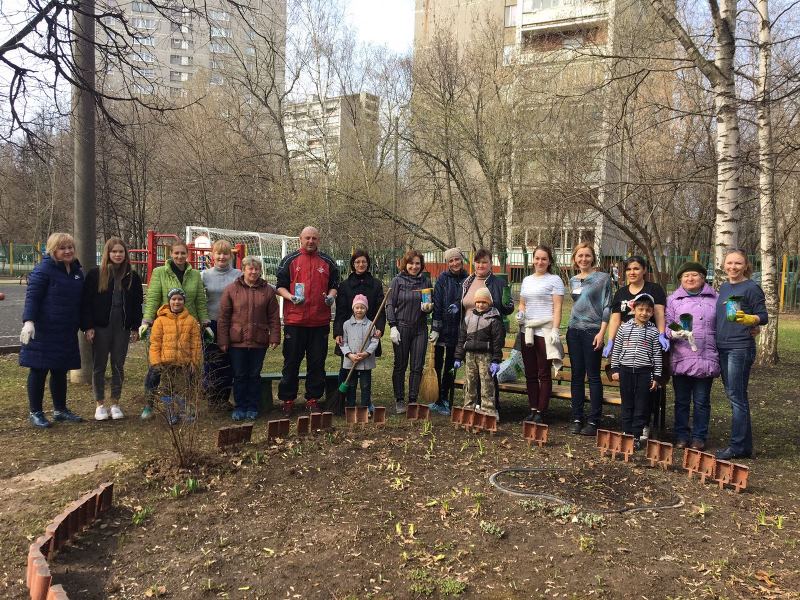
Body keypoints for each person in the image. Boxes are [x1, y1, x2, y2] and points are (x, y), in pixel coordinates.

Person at [20, 232, 85, 428]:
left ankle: (60, 409)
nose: (67, 251)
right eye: (62, 248)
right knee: (39, 370)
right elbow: (33, 297)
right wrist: (29, 321)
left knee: (60, 370)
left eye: (70, 247)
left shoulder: (76, 271)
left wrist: (85, 325)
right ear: (53, 250)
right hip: (44, 330)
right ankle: (36, 412)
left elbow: (79, 302)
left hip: (65, 330)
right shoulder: (43, 270)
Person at [140, 239, 209, 419]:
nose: (179, 256)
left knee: (188, 370)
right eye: (176, 253)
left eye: (183, 253)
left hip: (187, 327)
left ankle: (186, 406)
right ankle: (149, 404)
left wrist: (205, 322)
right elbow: (153, 298)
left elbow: (200, 301)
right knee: (157, 369)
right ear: (170, 254)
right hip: (166, 328)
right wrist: (147, 321)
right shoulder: (160, 272)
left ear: (188, 255)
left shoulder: (194, 275)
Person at [275, 226, 340, 415]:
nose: (311, 241)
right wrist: (290, 297)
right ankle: (288, 399)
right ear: (300, 239)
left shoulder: (328, 261)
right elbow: (280, 286)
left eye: (314, 238)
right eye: (307, 238)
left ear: (319, 240)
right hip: (295, 322)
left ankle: (313, 399)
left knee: (317, 363)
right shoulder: (289, 260)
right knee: (291, 362)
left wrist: (331, 297)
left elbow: (335, 285)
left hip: (319, 323)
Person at [603, 255, 668, 438]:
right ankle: (628, 428)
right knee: (630, 396)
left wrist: (661, 334)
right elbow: (615, 318)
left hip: (648, 344)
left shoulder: (654, 289)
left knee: (647, 392)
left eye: (636, 268)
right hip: (627, 348)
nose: (632, 272)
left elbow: (659, 312)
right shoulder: (621, 293)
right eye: (629, 269)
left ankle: (644, 425)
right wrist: (611, 340)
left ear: (644, 270)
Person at [81, 238, 143, 421]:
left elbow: (137, 304)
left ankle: (115, 402)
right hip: (101, 328)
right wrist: (88, 327)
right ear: (108, 253)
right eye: (114, 252)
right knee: (99, 366)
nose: (117, 255)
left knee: (118, 365)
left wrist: (135, 326)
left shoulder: (132, 276)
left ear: (125, 254)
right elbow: (86, 303)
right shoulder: (95, 275)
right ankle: (100, 404)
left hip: (122, 327)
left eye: (121, 252)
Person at [714, 249, 767, 460]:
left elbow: (763, 316)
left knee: (736, 397)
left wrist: (751, 320)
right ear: (724, 265)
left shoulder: (752, 287)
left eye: (738, 263)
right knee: (736, 396)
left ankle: (736, 447)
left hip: (740, 347)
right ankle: (745, 447)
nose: (733, 267)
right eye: (729, 263)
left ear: (746, 266)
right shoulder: (725, 286)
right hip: (722, 346)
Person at [217, 256, 280, 421]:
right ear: (243, 270)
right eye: (250, 268)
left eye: (256, 269)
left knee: (254, 375)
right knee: (239, 375)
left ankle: (253, 406)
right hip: (237, 341)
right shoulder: (231, 289)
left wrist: (274, 336)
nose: (253, 272)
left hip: (259, 341)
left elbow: (274, 316)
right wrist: (223, 340)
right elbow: (223, 317)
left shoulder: (267, 291)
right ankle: (240, 406)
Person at [665, 262, 719, 451]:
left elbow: (723, 325)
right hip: (681, 356)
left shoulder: (715, 299)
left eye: (694, 275)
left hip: (706, 356)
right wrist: (674, 332)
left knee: (702, 401)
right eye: (686, 276)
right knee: (681, 401)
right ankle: (681, 435)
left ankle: (699, 437)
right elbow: (667, 323)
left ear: (703, 278)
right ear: (680, 279)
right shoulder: (673, 300)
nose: (690, 279)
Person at [460, 248, 515, 413]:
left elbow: (506, 309)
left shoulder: (498, 283)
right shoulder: (467, 282)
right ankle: (472, 407)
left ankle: (491, 408)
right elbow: (464, 304)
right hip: (469, 334)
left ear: (491, 264)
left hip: (489, 335)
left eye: (484, 262)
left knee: (487, 376)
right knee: (472, 375)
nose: (481, 265)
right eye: (478, 262)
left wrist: (508, 304)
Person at [566, 242, 612, 436]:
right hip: (574, 330)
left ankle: (594, 420)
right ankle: (577, 417)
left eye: (587, 255)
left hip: (593, 331)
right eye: (580, 256)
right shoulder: (573, 280)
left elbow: (607, 306)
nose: (583, 259)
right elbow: (578, 304)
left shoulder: (603, 278)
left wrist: (602, 333)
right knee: (577, 376)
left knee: (593, 376)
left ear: (593, 257)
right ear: (575, 259)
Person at [516, 245, 564, 424]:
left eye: (544, 258)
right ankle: (532, 408)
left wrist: (555, 330)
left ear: (549, 261)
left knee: (543, 372)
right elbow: (522, 303)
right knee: (530, 372)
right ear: (533, 259)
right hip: (527, 331)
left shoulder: (555, 280)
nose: (540, 262)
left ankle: (541, 412)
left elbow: (558, 307)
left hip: (545, 331)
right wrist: (520, 313)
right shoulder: (527, 280)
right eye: (537, 258)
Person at [609, 293, 663, 450]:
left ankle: (637, 436)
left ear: (652, 312)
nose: (644, 313)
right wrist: (615, 368)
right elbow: (617, 349)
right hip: (625, 372)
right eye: (641, 309)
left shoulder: (653, 332)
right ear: (634, 309)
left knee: (641, 405)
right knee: (627, 404)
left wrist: (657, 377)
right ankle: (626, 433)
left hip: (645, 373)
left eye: (648, 310)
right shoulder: (624, 328)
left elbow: (657, 356)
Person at [387, 249, 433, 413]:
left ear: (421, 265)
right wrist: (392, 326)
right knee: (400, 365)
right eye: (411, 263)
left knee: (417, 366)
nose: (414, 266)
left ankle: (412, 400)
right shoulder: (397, 281)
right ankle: (399, 400)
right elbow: (390, 304)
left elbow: (428, 303)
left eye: (417, 263)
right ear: (405, 264)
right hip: (402, 327)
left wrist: (428, 308)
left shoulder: (425, 281)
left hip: (420, 328)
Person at [146, 288, 202, 424]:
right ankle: (170, 411)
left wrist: (194, 362)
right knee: (167, 389)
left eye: (180, 299)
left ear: (184, 302)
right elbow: (155, 343)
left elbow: (196, 344)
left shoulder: (191, 321)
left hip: (184, 362)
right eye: (174, 299)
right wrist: (156, 361)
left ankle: (184, 411)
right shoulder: (160, 321)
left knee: (183, 388)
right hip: (165, 363)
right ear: (169, 301)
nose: (176, 302)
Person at [334, 249, 385, 396]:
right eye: (357, 262)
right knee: (346, 370)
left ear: (368, 263)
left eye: (363, 261)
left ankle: (365, 402)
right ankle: (344, 400)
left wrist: (379, 328)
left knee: (365, 373)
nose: (360, 264)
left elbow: (380, 310)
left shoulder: (376, 284)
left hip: (368, 332)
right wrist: (338, 331)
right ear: (352, 264)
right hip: (349, 333)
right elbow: (341, 311)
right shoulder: (344, 286)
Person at [201, 240, 242, 410]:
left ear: (230, 256)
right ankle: (212, 397)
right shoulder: (203, 275)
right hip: (211, 323)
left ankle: (224, 398)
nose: (222, 257)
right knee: (211, 361)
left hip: (231, 324)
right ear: (212, 255)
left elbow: (260, 284)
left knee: (228, 361)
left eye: (225, 253)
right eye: (218, 253)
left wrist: (287, 293)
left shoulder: (238, 274)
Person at [453, 287, 505, 421]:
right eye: (478, 302)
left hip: (485, 356)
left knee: (487, 384)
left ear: (489, 303)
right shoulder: (468, 318)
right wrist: (458, 357)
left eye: (484, 302)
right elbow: (461, 339)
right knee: (470, 383)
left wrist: (495, 360)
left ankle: (488, 411)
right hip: (470, 356)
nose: (480, 305)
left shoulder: (494, 319)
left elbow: (497, 342)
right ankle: (468, 409)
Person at [429, 247, 469, 416]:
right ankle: (436, 397)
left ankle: (446, 397)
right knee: (436, 364)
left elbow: (470, 304)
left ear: (462, 260)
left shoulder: (469, 280)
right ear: (447, 263)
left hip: (458, 330)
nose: (454, 263)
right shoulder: (442, 280)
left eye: (457, 259)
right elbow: (437, 305)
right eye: (451, 261)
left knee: (451, 365)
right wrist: (436, 328)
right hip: (442, 329)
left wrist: (459, 309)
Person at [340, 294, 380, 411]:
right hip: (351, 361)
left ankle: (365, 406)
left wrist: (367, 353)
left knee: (365, 385)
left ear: (366, 309)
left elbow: (374, 340)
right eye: (357, 307)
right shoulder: (346, 324)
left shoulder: (370, 324)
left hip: (365, 361)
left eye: (362, 307)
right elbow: (343, 342)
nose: (359, 310)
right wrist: (349, 354)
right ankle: (351, 406)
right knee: (351, 385)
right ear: (353, 308)